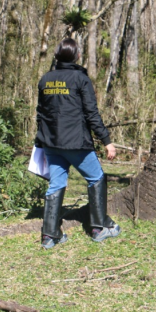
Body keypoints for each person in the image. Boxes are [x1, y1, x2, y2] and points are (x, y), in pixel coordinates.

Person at [35, 38, 120, 249]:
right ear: (77, 56)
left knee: (56, 184)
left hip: (51, 143)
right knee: (97, 178)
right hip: (76, 143)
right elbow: (92, 114)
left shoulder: (46, 79)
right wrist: (107, 141)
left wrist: (41, 140)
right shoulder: (80, 79)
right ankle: (99, 228)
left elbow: (40, 114)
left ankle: (50, 236)